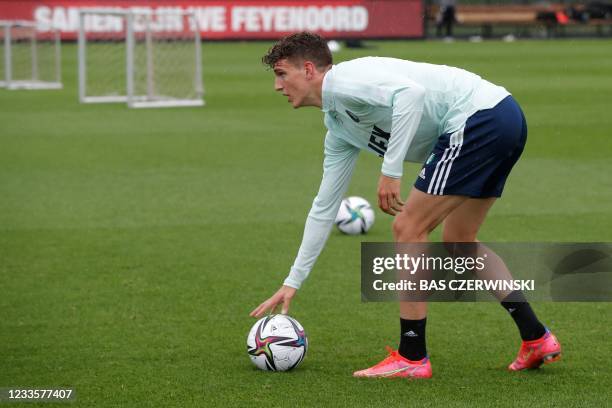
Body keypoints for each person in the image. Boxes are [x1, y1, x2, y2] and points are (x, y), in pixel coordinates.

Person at [249, 32, 561, 378]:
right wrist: (293, 281)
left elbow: (412, 95)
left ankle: (412, 356)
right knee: (460, 242)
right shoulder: (338, 127)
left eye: (282, 74)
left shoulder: (345, 81)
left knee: (408, 228)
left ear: (308, 70)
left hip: (478, 118)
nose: (278, 86)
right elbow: (324, 207)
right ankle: (536, 337)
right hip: (501, 116)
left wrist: (390, 172)